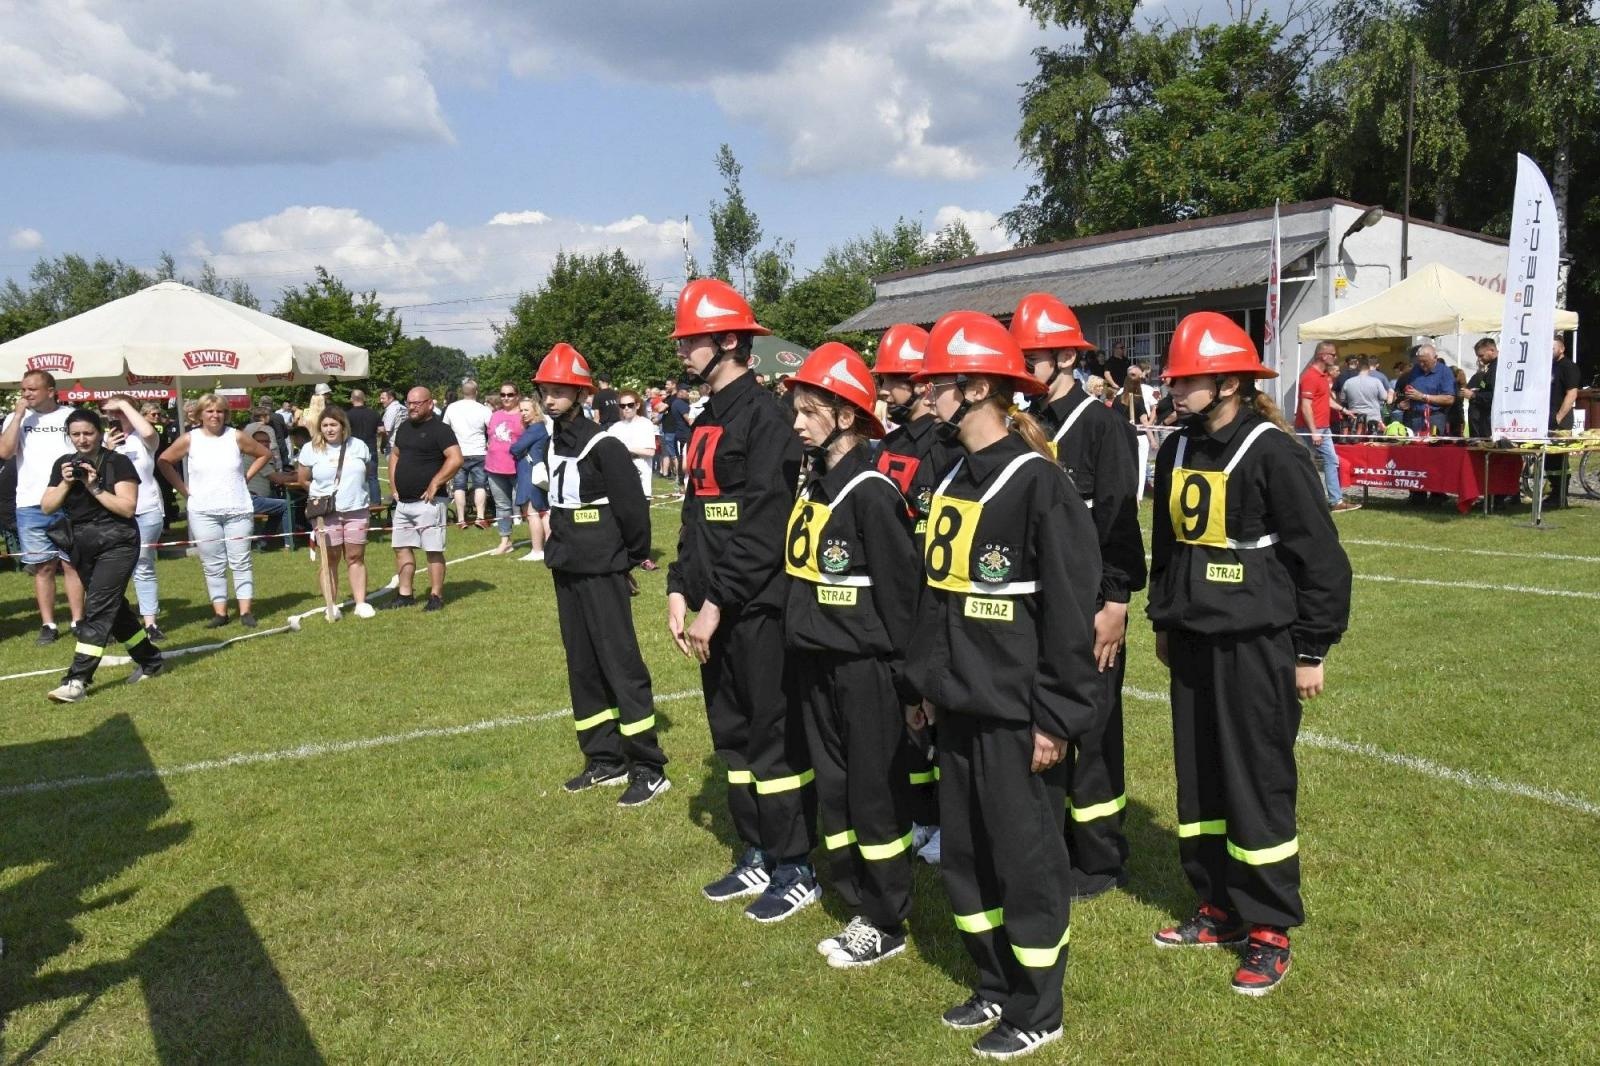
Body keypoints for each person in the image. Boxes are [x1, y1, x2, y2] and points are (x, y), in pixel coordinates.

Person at [905, 310, 1101, 1060]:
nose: (925, 394)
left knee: (1026, 860)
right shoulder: (954, 473)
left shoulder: (1039, 483)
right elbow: (938, 596)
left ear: (977, 386)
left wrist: (1055, 718)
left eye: (937, 383)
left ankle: (1038, 1007)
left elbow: (1070, 614)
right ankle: (993, 982)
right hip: (957, 704)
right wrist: (926, 685)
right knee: (967, 855)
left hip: (1016, 713)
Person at [1146, 312, 1352, 998]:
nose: (1176, 389)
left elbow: (1322, 559)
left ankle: (1269, 928)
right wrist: (1164, 618)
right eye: (1174, 379)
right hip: (1193, 641)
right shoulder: (1176, 449)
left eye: (1188, 379)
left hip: (1258, 646)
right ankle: (1219, 905)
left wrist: (1311, 648)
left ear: (1230, 383)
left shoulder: (1274, 452)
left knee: (1257, 782)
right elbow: (1168, 545)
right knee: (1202, 780)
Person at [665, 278, 814, 922]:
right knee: (731, 734)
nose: (682, 351)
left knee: (771, 736)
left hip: (755, 608)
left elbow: (764, 525)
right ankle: (755, 848)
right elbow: (695, 514)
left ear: (728, 341)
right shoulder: (705, 419)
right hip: (711, 608)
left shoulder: (768, 417)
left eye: (691, 340)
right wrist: (679, 585)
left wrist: (717, 602)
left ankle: (795, 864)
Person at [783, 343, 922, 968]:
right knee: (836, 788)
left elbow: (902, 599)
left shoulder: (871, 493)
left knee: (874, 794)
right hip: (816, 663)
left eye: (809, 411)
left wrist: (910, 686)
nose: (796, 423)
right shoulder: (816, 485)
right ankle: (854, 895)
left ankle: (886, 918)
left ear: (846, 416)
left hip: (865, 671)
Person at [1013, 291, 1146, 902]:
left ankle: (1099, 857)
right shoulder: (1024, 425)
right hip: (1039, 603)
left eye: (1030, 358)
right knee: (1045, 724)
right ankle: (1053, 842)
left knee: (1093, 731)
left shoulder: (1101, 425)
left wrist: (1115, 602)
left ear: (1066, 357)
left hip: (1091, 605)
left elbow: (1119, 520)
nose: (1022, 369)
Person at [534, 344, 670, 805]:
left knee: (620, 663)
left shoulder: (605, 445)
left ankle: (648, 767)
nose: (550, 399)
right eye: (545, 391)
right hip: (567, 567)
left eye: (559, 391)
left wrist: (627, 562)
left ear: (582, 394)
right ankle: (604, 758)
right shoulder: (552, 442)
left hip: (602, 569)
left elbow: (634, 513)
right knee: (582, 664)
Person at [869, 323, 956, 864]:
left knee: (940, 713)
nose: (884, 391)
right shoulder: (887, 445)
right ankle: (921, 813)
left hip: (933, 593)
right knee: (907, 717)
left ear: (922, 384)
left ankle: (949, 820)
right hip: (894, 595)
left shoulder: (946, 448)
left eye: (891, 381)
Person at [39, 409, 165, 702]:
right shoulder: (63, 464)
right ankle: (151, 661)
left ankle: (77, 680)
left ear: (100, 433)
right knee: (115, 610)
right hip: (82, 544)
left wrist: (94, 486)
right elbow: (47, 506)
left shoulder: (117, 462)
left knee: (97, 607)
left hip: (118, 541)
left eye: (88, 433)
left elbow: (127, 508)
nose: (82, 440)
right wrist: (67, 482)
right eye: (76, 434)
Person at [159, 394, 271, 628]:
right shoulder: (189, 439)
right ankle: (220, 613)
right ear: (200, 414)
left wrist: (246, 477)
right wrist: (183, 489)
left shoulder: (236, 436)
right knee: (212, 563)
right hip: (203, 511)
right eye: (209, 411)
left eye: (219, 411)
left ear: (225, 414)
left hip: (237, 508)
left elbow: (264, 454)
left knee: (241, 560)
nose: (215, 415)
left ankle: (245, 611)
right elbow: (164, 461)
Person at [0, 370, 85, 644]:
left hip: (69, 499)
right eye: (23, 389)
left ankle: (79, 620)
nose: (26, 394)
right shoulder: (16, 419)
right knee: (43, 567)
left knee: (72, 564)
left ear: (50, 391)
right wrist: (17, 417)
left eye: (32, 389)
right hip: (30, 503)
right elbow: (5, 452)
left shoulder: (70, 416)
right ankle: (48, 624)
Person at [297, 405, 375, 620]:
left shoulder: (358, 446)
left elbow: (366, 472)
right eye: (325, 425)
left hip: (356, 509)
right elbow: (303, 479)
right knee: (329, 558)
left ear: (343, 426)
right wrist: (321, 495)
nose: (329, 429)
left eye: (333, 425)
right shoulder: (310, 449)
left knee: (355, 556)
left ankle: (361, 603)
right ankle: (331, 605)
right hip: (326, 512)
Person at [388, 386, 462, 611]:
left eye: (417, 403)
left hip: (430, 502)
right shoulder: (404, 427)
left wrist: (435, 483)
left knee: (433, 550)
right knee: (401, 547)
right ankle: (405, 594)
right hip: (404, 503)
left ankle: (435, 596)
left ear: (430, 404)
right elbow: (395, 455)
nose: (412, 407)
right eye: (409, 403)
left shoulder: (441, 430)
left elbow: (456, 459)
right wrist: (393, 484)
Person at [103, 395, 167, 640]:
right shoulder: (105, 440)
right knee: (113, 569)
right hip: (115, 510)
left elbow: (148, 431)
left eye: (119, 412)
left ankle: (150, 623)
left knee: (142, 564)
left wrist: (124, 405)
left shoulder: (145, 438)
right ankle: (114, 623)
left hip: (147, 509)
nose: (114, 417)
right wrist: (107, 450)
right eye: (110, 413)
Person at [1295, 341, 1358, 512]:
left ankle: (1333, 500)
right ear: (1323, 356)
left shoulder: (1323, 376)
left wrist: (1344, 410)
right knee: (1319, 462)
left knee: (1330, 461)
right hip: (1311, 429)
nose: (1336, 358)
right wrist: (1314, 432)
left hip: (1323, 427)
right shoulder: (1310, 377)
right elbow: (1305, 406)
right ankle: (1332, 500)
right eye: (1333, 354)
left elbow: (1326, 400)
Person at [442, 379, 492, 529]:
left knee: (459, 486)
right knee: (480, 485)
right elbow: (491, 429)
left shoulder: (451, 407)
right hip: (479, 451)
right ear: (476, 392)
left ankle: (461, 519)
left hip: (458, 452)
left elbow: (445, 429)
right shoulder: (483, 409)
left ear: (462, 392)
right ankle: (480, 517)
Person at [485, 383, 525, 556]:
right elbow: (490, 437)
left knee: (527, 505)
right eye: (503, 395)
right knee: (502, 506)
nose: (506, 398)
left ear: (517, 395)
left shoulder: (523, 414)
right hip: (494, 467)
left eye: (510, 394)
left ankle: (541, 540)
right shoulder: (495, 415)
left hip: (518, 467)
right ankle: (505, 540)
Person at [510, 396, 550, 563]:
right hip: (536, 473)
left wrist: (515, 448)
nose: (523, 413)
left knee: (532, 512)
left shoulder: (535, 429)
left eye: (527, 410)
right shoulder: (539, 427)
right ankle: (550, 547)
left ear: (536, 411)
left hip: (530, 473)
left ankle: (537, 550)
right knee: (543, 511)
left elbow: (516, 448)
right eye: (521, 410)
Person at [606, 388, 659, 508]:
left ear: (637, 405)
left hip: (640, 472)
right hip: (620, 474)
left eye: (630, 405)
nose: (626, 408)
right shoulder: (614, 428)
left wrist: (624, 448)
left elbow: (650, 452)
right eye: (622, 406)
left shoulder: (645, 424)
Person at [1546, 334, 1582, 508]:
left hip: (1561, 419)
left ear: (1561, 349)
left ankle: (1561, 496)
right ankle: (1554, 493)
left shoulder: (1568, 367)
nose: (1549, 351)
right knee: (1549, 458)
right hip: (1548, 418)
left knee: (1558, 458)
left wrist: (1559, 417)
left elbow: (1572, 393)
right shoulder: (1550, 367)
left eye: (1552, 348)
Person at [1394, 343, 1455, 436]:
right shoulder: (1415, 370)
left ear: (1435, 358)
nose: (1421, 364)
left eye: (1425, 361)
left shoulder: (1445, 372)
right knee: (1413, 444)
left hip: (1434, 417)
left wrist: (1422, 397)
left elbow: (1449, 399)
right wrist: (1408, 401)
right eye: (1419, 361)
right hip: (1414, 417)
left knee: (1433, 444)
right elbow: (1411, 390)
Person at [345, 389, 383, 504]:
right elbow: (382, 430)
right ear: (364, 399)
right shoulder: (374, 413)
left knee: (353, 476)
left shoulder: (347, 415)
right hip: (370, 447)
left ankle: (355, 502)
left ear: (351, 399)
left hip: (353, 450)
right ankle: (376, 503)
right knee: (372, 477)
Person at [1340, 357, 1392, 437]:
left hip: (1355, 419)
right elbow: (1384, 397)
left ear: (1357, 369)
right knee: (1372, 442)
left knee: (1356, 442)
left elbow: (1342, 399)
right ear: (1369, 369)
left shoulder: (1348, 382)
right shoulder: (1376, 381)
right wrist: (1390, 393)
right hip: (1373, 419)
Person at [1463, 338, 1498, 438]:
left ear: (1492, 350)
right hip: (1483, 418)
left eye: (1481, 356)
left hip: (1490, 418)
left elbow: (1494, 395)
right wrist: (1478, 390)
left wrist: (1474, 395)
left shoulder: (1497, 368)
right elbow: (1486, 387)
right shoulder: (1490, 368)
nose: (1479, 359)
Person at [660, 383, 691, 483]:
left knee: (681, 456)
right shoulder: (680, 403)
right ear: (680, 392)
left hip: (681, 433)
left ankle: (680, 478)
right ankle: (681, 479)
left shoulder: (680, 402)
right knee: (682, 457)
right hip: (683, 434)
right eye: (687, 391)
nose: (689, 393)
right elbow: (689, 420)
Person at [379, 388, 405, 454]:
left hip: (392, 447)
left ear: (391, 398)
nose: (381, 401)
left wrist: (382, 445)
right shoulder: (404, 408)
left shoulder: (391, 410)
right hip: (405, 444)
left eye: (383, 398)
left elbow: (386, 432)